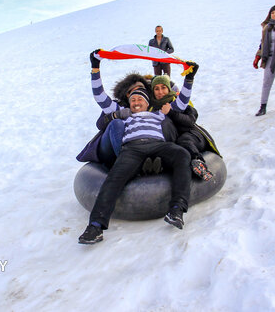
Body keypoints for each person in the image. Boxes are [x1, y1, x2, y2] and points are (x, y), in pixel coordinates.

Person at [78, 50, 198, 244]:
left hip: (158, 146)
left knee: (182, 154)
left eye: (140, 99)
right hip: (132, 149)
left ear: (148, 101)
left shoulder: (158, 113)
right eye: (132, 99)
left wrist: (190, 78)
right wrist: (95, 68)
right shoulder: (124, 114)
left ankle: (177, 209)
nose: (135, 102)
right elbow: (99, 96)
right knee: (114, 178)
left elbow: (182, 101)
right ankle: (95, 227)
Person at [148, 74, 221, 181]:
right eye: (156, 89)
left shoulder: (179, 101)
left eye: (163, 88)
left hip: (191, 135)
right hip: (169, 142)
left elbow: (190, 121)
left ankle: (198, 164)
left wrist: (170, 113)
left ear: (168, 88)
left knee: (184, 141)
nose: (160, 92)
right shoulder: (151, 108)